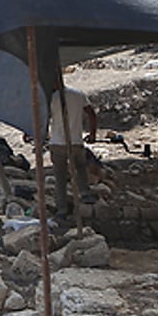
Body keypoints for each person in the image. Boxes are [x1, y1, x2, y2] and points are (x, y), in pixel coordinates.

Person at [49, 85, 98, 218]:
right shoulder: (78, 94)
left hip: (57, 142)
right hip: (76, 140)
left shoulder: (51, 98)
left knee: (60, 176)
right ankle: (85, 193)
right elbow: (92, 114)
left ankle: (62, 208)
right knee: (80, 168)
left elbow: (43, 118)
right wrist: (93, 134)